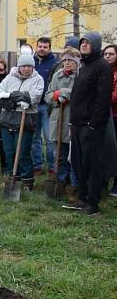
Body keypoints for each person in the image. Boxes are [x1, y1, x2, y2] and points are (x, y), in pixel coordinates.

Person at [69, 33, 116, 215]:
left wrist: (93, 125)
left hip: (91, 126)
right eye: (82, 42)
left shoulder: (102, 67)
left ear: (96, 45)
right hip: (77, 124)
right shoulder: (85, 66)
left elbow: (102, 100)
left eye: (88, 43)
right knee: (78, 163)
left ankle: (93, 203)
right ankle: (83, 198)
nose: (84, 45)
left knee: (92, 165)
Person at [0, 51, 44, 190]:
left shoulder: (38, 79)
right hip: (7, 117)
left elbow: (34, 97)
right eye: (24, 66)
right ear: (19, 66)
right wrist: (14, 98)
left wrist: (12, 97)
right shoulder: (9, 78)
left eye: (29, 66)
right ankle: (13, 178)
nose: (26, 68)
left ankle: (28, 181)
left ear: (33, 67)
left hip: (25, 118)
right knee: (9, 151)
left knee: (22, 152)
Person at [45, 48, 81, 191]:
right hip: (57, 120)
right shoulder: (57, 76)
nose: (67, 63)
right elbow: (48, 95)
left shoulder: (80, 76)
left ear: (76, 62)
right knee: (59, 155)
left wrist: (64, 93)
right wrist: (56, 97)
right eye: (64, 60)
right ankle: (60, 183)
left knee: (73, 157)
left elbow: (79, 93)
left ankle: (74, 185)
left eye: (70, 60)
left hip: (72, 120)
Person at [32, 37, 58, 175]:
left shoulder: (55, 63)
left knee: (49, 138)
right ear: (36, 47)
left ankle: (52, 166)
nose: (42, 49)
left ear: (49, 48)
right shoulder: (31, 62)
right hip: (33, 106)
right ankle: (37, 165)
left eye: (45, 47)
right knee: (34, 138)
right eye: (40, 46)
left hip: (48, 107)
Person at [104, 44, 117, 197]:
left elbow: (114, 95)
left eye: (111, 54)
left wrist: (101, 97)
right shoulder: (101, 70)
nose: (107, 56)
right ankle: (103, 180)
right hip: (104, 116)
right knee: (104, 149)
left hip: (115, 115)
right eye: (105, 53)